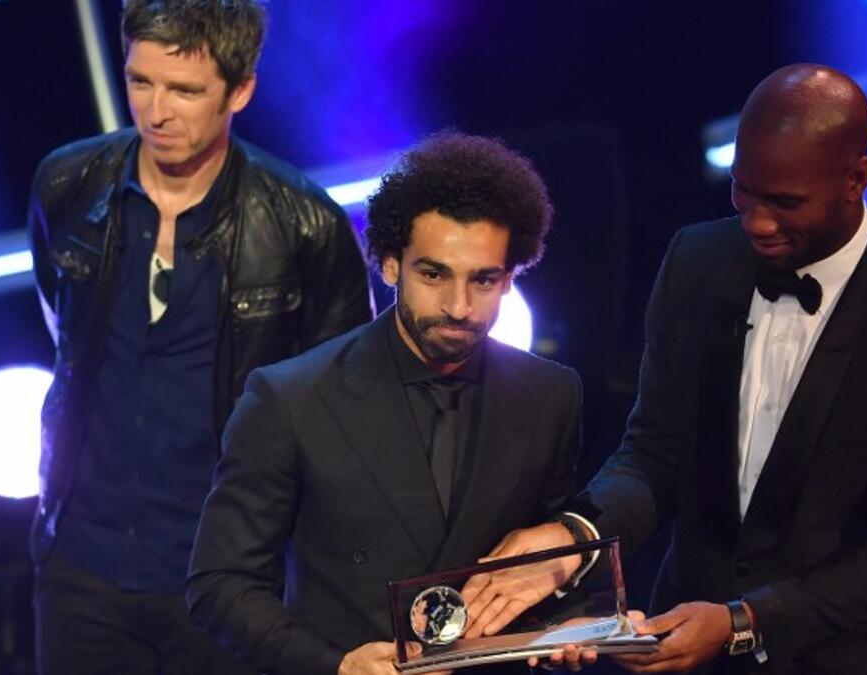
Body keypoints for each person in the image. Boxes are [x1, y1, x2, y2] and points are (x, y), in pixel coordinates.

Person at [467, 64, 867, 674]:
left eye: (786, 202)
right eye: (744, 191)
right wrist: (575, 537)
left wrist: (745, 621)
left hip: (852, 657)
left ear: (857, 179)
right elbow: (653, 452)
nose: (757, 223)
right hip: (690, 651)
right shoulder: (696, 260)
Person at [26, 1, 373, 672]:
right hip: (80, 567)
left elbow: (342, 417)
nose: (155, 111)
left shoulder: (303, 226)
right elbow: (65, 333)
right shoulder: (67, 185)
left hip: (227, 582)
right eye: (139, 81)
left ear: (240, 90)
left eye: (184, 90)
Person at [185, 131, 583, 675]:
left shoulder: (549, 395)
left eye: (483, 279)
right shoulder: (290, 398)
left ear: (511, 278)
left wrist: (581, 625)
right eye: (434, 273)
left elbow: (547, 564)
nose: (459, 307)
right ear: (390, 263)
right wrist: (336, 666)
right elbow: (219, 584)